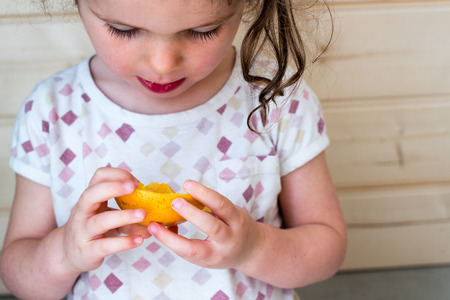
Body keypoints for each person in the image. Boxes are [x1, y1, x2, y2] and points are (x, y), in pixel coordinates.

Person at [0, 0, 347, 299]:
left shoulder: (276, 99)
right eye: (122, 29)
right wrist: (64, 253)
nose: (163, 63)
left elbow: (327, 248)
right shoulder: (53, 111)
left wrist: (254, 248)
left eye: (203, 31)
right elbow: (18, 272)